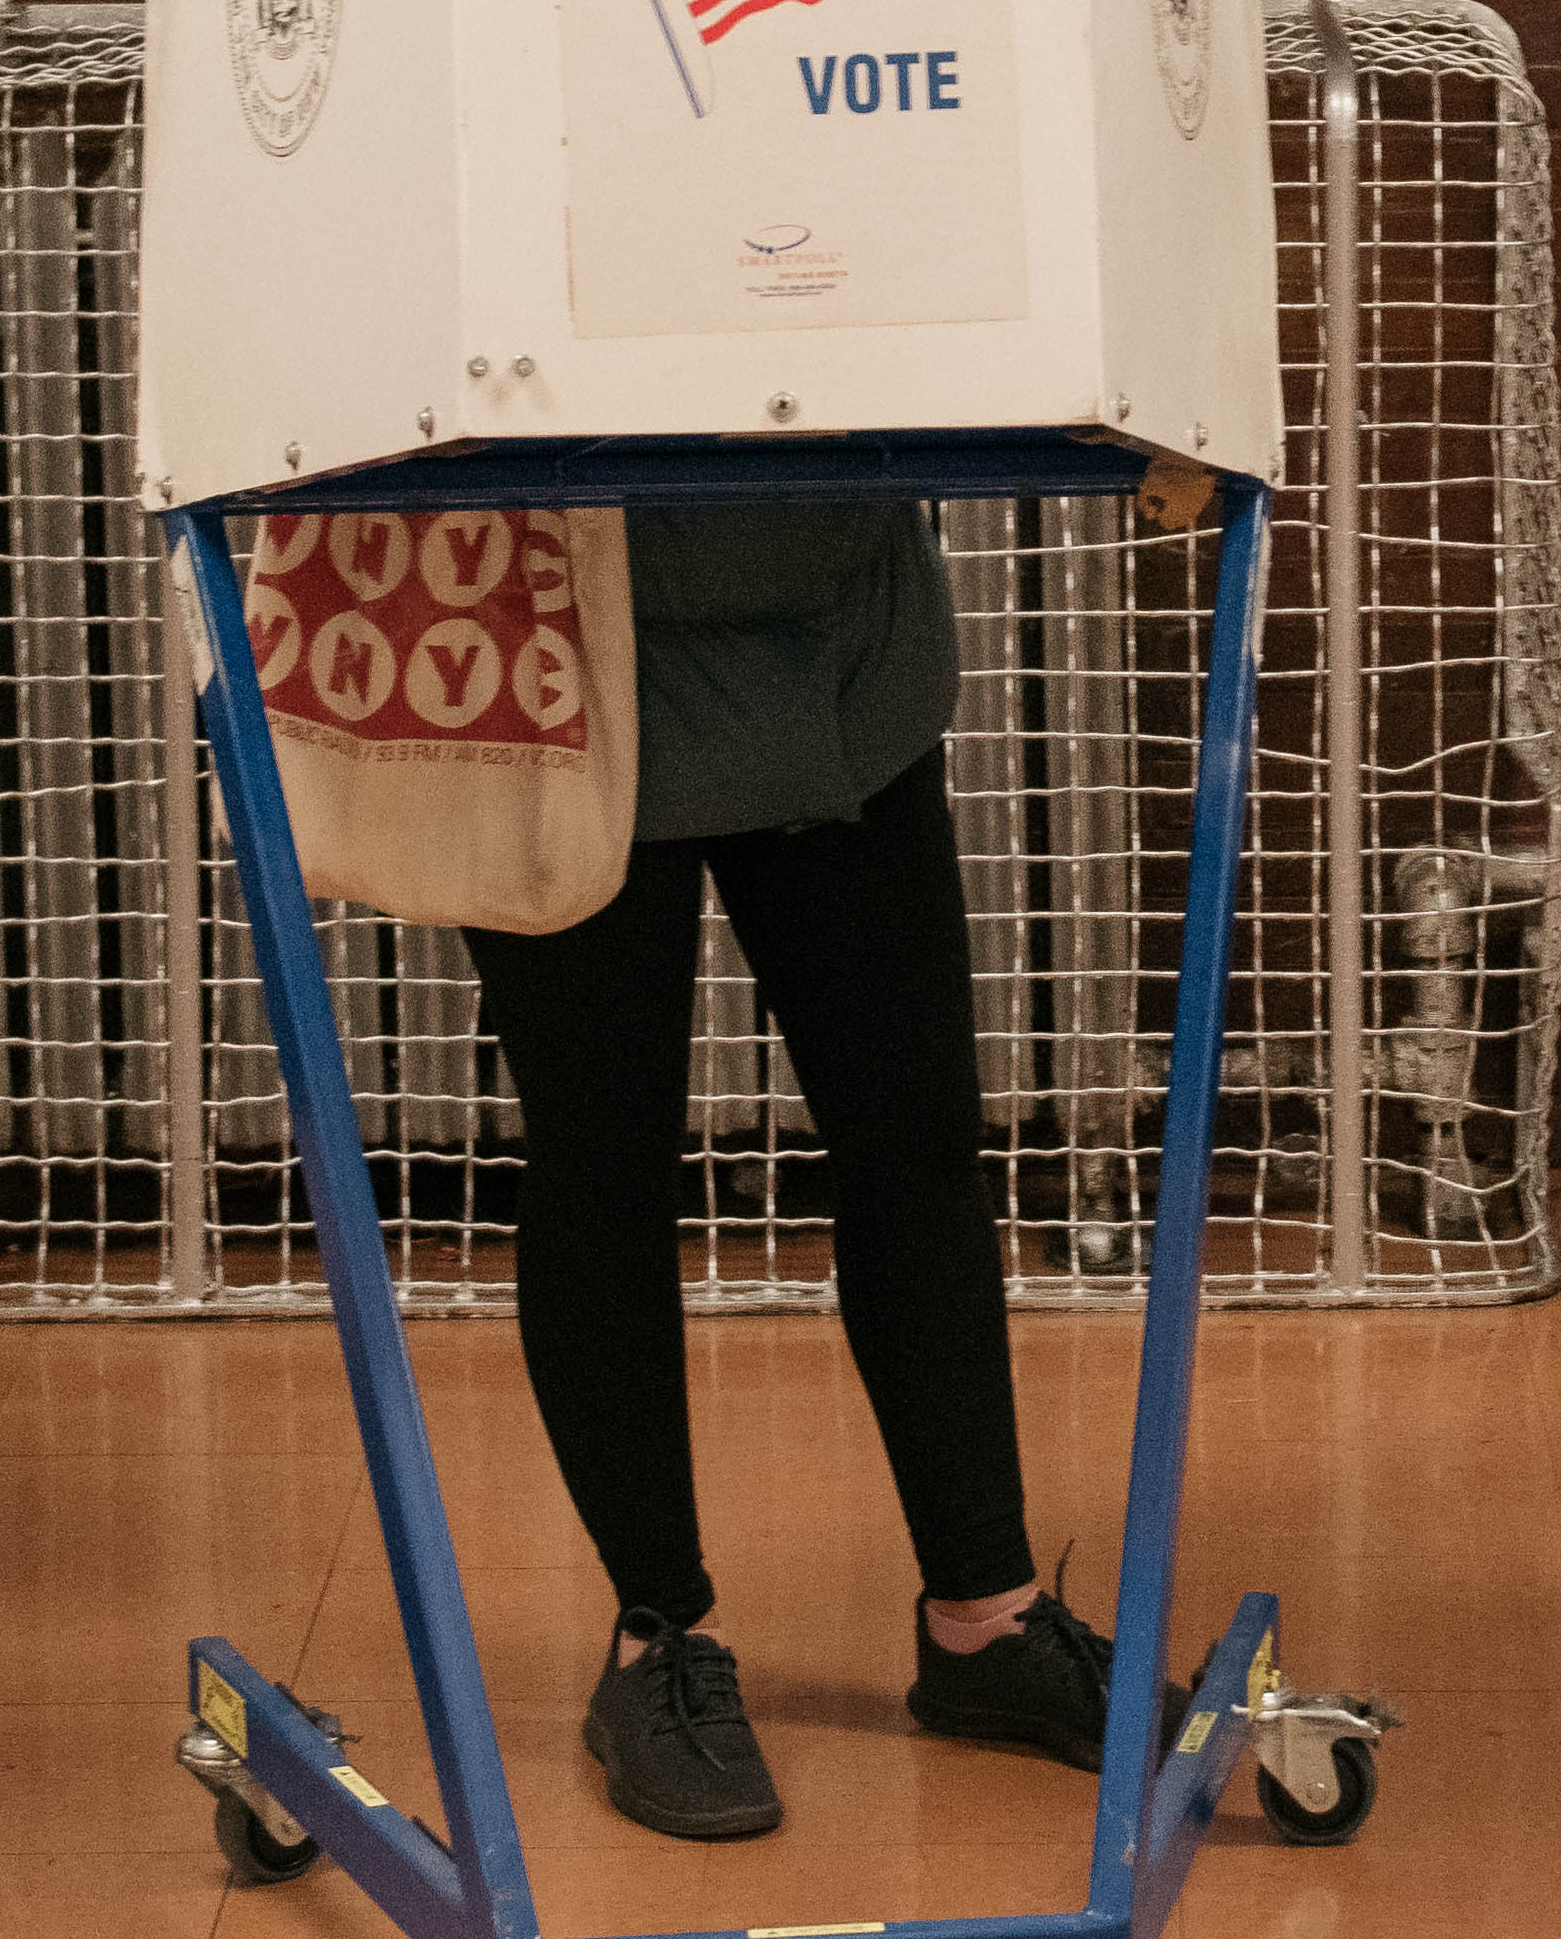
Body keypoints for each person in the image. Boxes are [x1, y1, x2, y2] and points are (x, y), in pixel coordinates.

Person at [467, 495, 1115, 1840]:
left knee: (915, 1141)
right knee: (602, 1163)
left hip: (841, 648)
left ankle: (986, 1620)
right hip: (553, 651)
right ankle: (659, 1634)